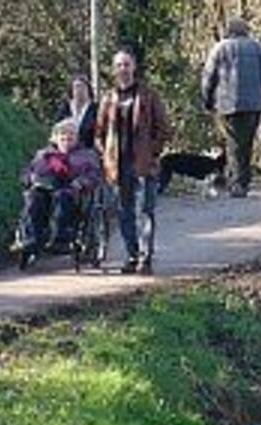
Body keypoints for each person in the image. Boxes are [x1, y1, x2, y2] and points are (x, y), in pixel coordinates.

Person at [97, 46, 172, 274]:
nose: (123, 69)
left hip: (143, 165)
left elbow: (164, 129)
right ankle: (131, 255)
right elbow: (99, 132)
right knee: (124, 213)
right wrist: (105, 155)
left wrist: (152, 152)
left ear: (134, 67)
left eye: (127, 64)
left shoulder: (148, 96)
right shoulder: (108, 98)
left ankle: (145, 257)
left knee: (145, 211)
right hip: (117, 167)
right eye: (119, 65)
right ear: (113, 69)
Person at [200, 17, 261, 198]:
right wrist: (260, 89)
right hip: (253, 105)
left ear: (229, 30)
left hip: (227, 104)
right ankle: (243, 181)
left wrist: (207, 101)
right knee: (246, 143)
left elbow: (208, 77)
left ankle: (236, 184)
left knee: (233, 144)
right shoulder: (257, 48)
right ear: (246, 31)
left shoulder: (219, 48)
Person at [15, 119, 101, 259]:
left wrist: (80, 182)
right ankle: (31, 239)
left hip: (72, 191)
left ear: (77, 138)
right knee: (34, 197)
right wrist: (30, 178)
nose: (66, 139)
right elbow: (27, 171)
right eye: (63, 136)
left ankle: (60, 239)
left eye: (71, 136)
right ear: (55, 138)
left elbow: (93, 175)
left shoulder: (86, 156)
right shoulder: (43, 155)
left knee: (62, 197)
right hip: (45, 188)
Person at [57, 74, 100, 151]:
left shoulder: (96, 109)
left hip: (89, 153)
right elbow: (58, 131)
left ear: (88, 89)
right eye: (76, 87)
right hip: (66, 152)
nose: (79, 90)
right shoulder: (64, 109)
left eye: (83, 87)